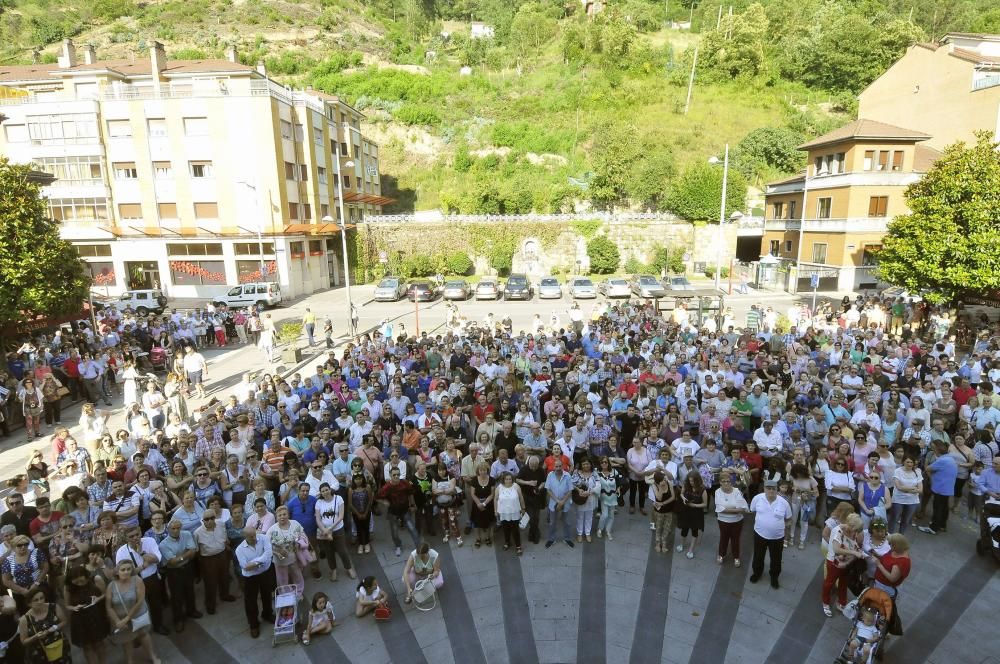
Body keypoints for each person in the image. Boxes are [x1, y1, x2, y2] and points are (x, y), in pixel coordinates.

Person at [115, 527, 169, 635]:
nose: (135, 538)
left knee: (156, 604)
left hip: (151, 579)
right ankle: (139, 632)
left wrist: (142, 553)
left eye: (137, 534)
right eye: (131, 536)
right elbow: (124, 574)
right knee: (136, 608)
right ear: (126, 538)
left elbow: (157, 559)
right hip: (134, 582)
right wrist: (143, 566)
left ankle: (158, 626)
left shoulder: (150, 541)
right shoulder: (121, 552)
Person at [105, 560, 159, 664]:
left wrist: (127, 618)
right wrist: (117, 621)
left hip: (137, 615)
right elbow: (109, 606)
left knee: (144, 635)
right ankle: (130, 661)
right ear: (117, 572)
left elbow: (140, 601)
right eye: (123, 570)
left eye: (129, 569)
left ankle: (152, 656)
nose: (126, 572)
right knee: (126, 641)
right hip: (121, 620)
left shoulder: (137, 580)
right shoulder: (111, 586)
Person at [158, 519, 200, 633]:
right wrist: (185, 555)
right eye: (173, 528)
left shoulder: (186, 534)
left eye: (178, 528)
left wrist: (180, 557)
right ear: (168, 529)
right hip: (174, 572)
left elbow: (193, 552)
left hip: (188, 568)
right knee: (177, 596)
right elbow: (172, 562)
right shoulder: (163, 544)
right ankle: (178, 620)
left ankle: (191, 611)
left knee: (190, 591)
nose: (176, 530)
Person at [749, 479, 792, 589]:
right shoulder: (757, 498)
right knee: (758, 556)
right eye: (768, 488)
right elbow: (752, 510)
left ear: (777, 490)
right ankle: (757, 573)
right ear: (764, 489)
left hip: (777, 537)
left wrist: (779, 527)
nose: (771, 491)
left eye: (773, 489)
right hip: (759, 534)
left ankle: (774, 577)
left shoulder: (784, 503)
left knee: (776, 559)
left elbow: (789, 519)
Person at [235, 525, 277, 639]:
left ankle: (267, 614)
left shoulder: (263, 538)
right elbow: (245, 567)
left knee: (266, 594)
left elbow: (269, 554)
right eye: (250, 536)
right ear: (245, 537)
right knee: (250, 601)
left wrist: (254, 562)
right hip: (250, 577)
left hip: (265, 573)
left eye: (254, 534)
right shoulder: (239, 549)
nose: (254, 537)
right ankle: (253, 624)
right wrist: (261, 561)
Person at [64, 564, 111, 664]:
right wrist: (74, 607)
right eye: (74, 579)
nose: (78, 581)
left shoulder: (95, 580)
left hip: (95, 615)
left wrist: (98, 599)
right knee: (87, 646)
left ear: (85, 575)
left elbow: (106, 594)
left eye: (80, 577)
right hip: (79, 619)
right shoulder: (68, 588)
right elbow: (67, 605)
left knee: (99, 643)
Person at [193, 508, 236, 613]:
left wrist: (226, 547)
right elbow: (196, 549)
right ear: (202, 520)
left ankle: (225, 595)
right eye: (206, 519)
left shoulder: (221, 524)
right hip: (208, 559)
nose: (210, 521)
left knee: (224, 576)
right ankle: (210, 604)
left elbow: (225, 537)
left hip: (222, 554)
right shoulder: (197, 533)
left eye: (212, 518)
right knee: (210, 582)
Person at [823, 513, 864, 617]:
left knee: (844, 582)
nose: (856, 533)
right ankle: (826, 603)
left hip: (846, 563)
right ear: (850, 526)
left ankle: (842, 603)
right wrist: (854, 553)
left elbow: (853, 544)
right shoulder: (838, 531)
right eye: (855, 530)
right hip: (834, 562)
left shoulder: (853, 533)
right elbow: (837, 549)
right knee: (829, 583)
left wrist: (857, 551)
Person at [18, 585, 70, 664]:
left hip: (60, 646)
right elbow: (24, 641)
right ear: (29, 604)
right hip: (41, 653)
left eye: (42, 598)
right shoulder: (24, 619)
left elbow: (64, 621)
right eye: (36, 600)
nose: (40, 601)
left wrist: (55, 627)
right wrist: (35, 637)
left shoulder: (54, 607)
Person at [314, 482, 356, 581]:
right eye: (323, 491)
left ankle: (348, 568)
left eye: (326, 490)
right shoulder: (319, 502)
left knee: (342, 551)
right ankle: (333, 570)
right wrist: (324, 529)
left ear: (330, 489)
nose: (325, 492)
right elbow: (318, 519)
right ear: (320, 493)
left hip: (338, 529)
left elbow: (341, 516)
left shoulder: (338, 499)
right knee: (329, 552)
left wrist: (330, 528)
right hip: (324, 531)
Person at [918, 440, 958, 535]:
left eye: (934, 449)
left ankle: (933, 528)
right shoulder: (950, 459)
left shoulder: (942, 460)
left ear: (937, 450)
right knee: (944, 507)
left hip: (940, 487)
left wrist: (931, 477)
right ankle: (942, 525)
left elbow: (928, 468)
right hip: (947, 488)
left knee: (937, 508)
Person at [715, 471, 749, 566]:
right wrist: (735, 510)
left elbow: (742, 507)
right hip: (723, 521)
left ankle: (736, 557)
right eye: (724, 481)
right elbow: (719, 509)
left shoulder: (737, 491)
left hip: (737, 521)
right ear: (720, 482)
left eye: (728, 481)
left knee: (736, 539)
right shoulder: (717, 492)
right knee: (723, 538)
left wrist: (727, 509)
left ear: (731, 482)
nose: (726, 483)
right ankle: (721, 555)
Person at [676, 472, 707, 559]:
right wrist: (683, 498)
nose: (691, 483)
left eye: (693, 481)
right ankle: (682, 544)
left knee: (694, 531)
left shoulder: (702, 490)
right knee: (684, 529)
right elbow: (681, 494)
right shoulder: (686, 485)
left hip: (696, 513)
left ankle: (691, 550)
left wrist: (695, 505)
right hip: (686, 511)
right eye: (690, 481)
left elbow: (705, 504)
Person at [494, 472, 526, 554]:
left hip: (515, 512)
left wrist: (523, 508)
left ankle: (518, 546)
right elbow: (496, 499)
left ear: (512, 479)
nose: (508, 481)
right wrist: (495, 510)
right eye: (506, 479)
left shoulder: (516, 486)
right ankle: (507, 542)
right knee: (505, 529)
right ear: (503, 480)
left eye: (510, 479)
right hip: (504, 512)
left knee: (515, 530)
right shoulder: (499, 488)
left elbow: (521, 497)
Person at [467, 462, 495, 548]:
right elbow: (472, 494)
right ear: (478, 471)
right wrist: (479, 503)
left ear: (487, 470)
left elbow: (492, 494)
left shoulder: (492, 480)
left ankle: (487, 537)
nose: (483, 472)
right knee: (476, 523)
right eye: (481, 470)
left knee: (488, 522)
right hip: (477, 503)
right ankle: (478, 539)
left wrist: (484, 503)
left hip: (488, 503)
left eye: (484, 470)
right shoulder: (474, 480)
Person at [649, 471, 676, 554]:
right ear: (658, 481)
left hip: (669, 510)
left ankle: (664, 543)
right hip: (659, 511)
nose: (665, 480)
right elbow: (659, 498)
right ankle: (657, 543)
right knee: (659, 527)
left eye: (665, 478)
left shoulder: (669, 483)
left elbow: (673, 497)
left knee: (667, 527)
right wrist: (661, 487)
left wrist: (663, 503)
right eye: (663, 479)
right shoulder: (654, 485)